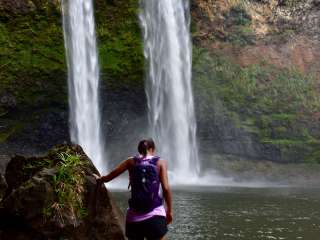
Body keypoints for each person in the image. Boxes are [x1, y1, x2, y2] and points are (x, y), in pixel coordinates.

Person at [95, 139, 173, 240]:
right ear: (152, 149)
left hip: (134, 218)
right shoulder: (160, 162)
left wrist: (101, 179)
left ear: (139, 150)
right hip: (155, 215)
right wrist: (169, 211)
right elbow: (166, 189)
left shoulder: (130, 161)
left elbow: (110, 176)